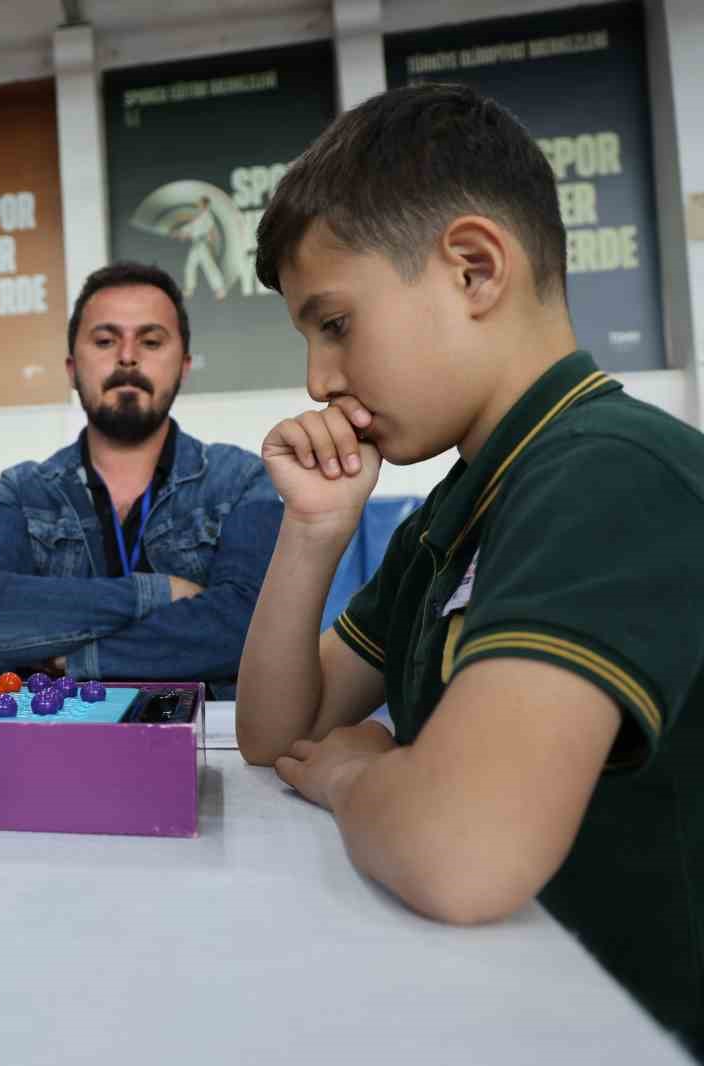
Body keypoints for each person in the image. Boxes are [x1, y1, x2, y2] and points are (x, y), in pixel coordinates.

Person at [236, 83, 704, 1056]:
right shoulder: (462, 502)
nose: (319, 381)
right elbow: (276, 732)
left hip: (631, 1025)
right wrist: (314, 529)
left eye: (333, 323)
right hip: (505, 999)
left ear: (474, 268)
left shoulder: (609, 471)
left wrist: (360, 778)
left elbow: (460, 850)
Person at [0, 262, 281, 695]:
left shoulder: (241, 480)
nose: (128, 356)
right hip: (50, 738)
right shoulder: (23, 491)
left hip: (204, 742)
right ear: (72, 367)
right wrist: (158, 592)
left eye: (151, 341)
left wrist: (77, 659)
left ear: (184, 366)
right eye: (105, 340)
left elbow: (252, 625)